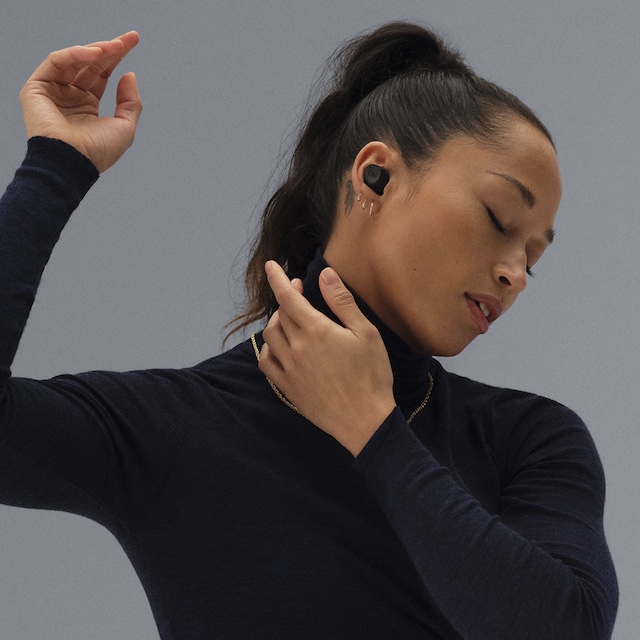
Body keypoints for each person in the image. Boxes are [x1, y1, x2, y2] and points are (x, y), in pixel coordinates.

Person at [0, 22, 618, 640]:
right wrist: (56, 165)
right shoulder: (181, 426)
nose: (516, 275)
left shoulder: (528, 439)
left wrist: (373, 429)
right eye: (499, 218)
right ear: (375, 176)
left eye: (533, 257)